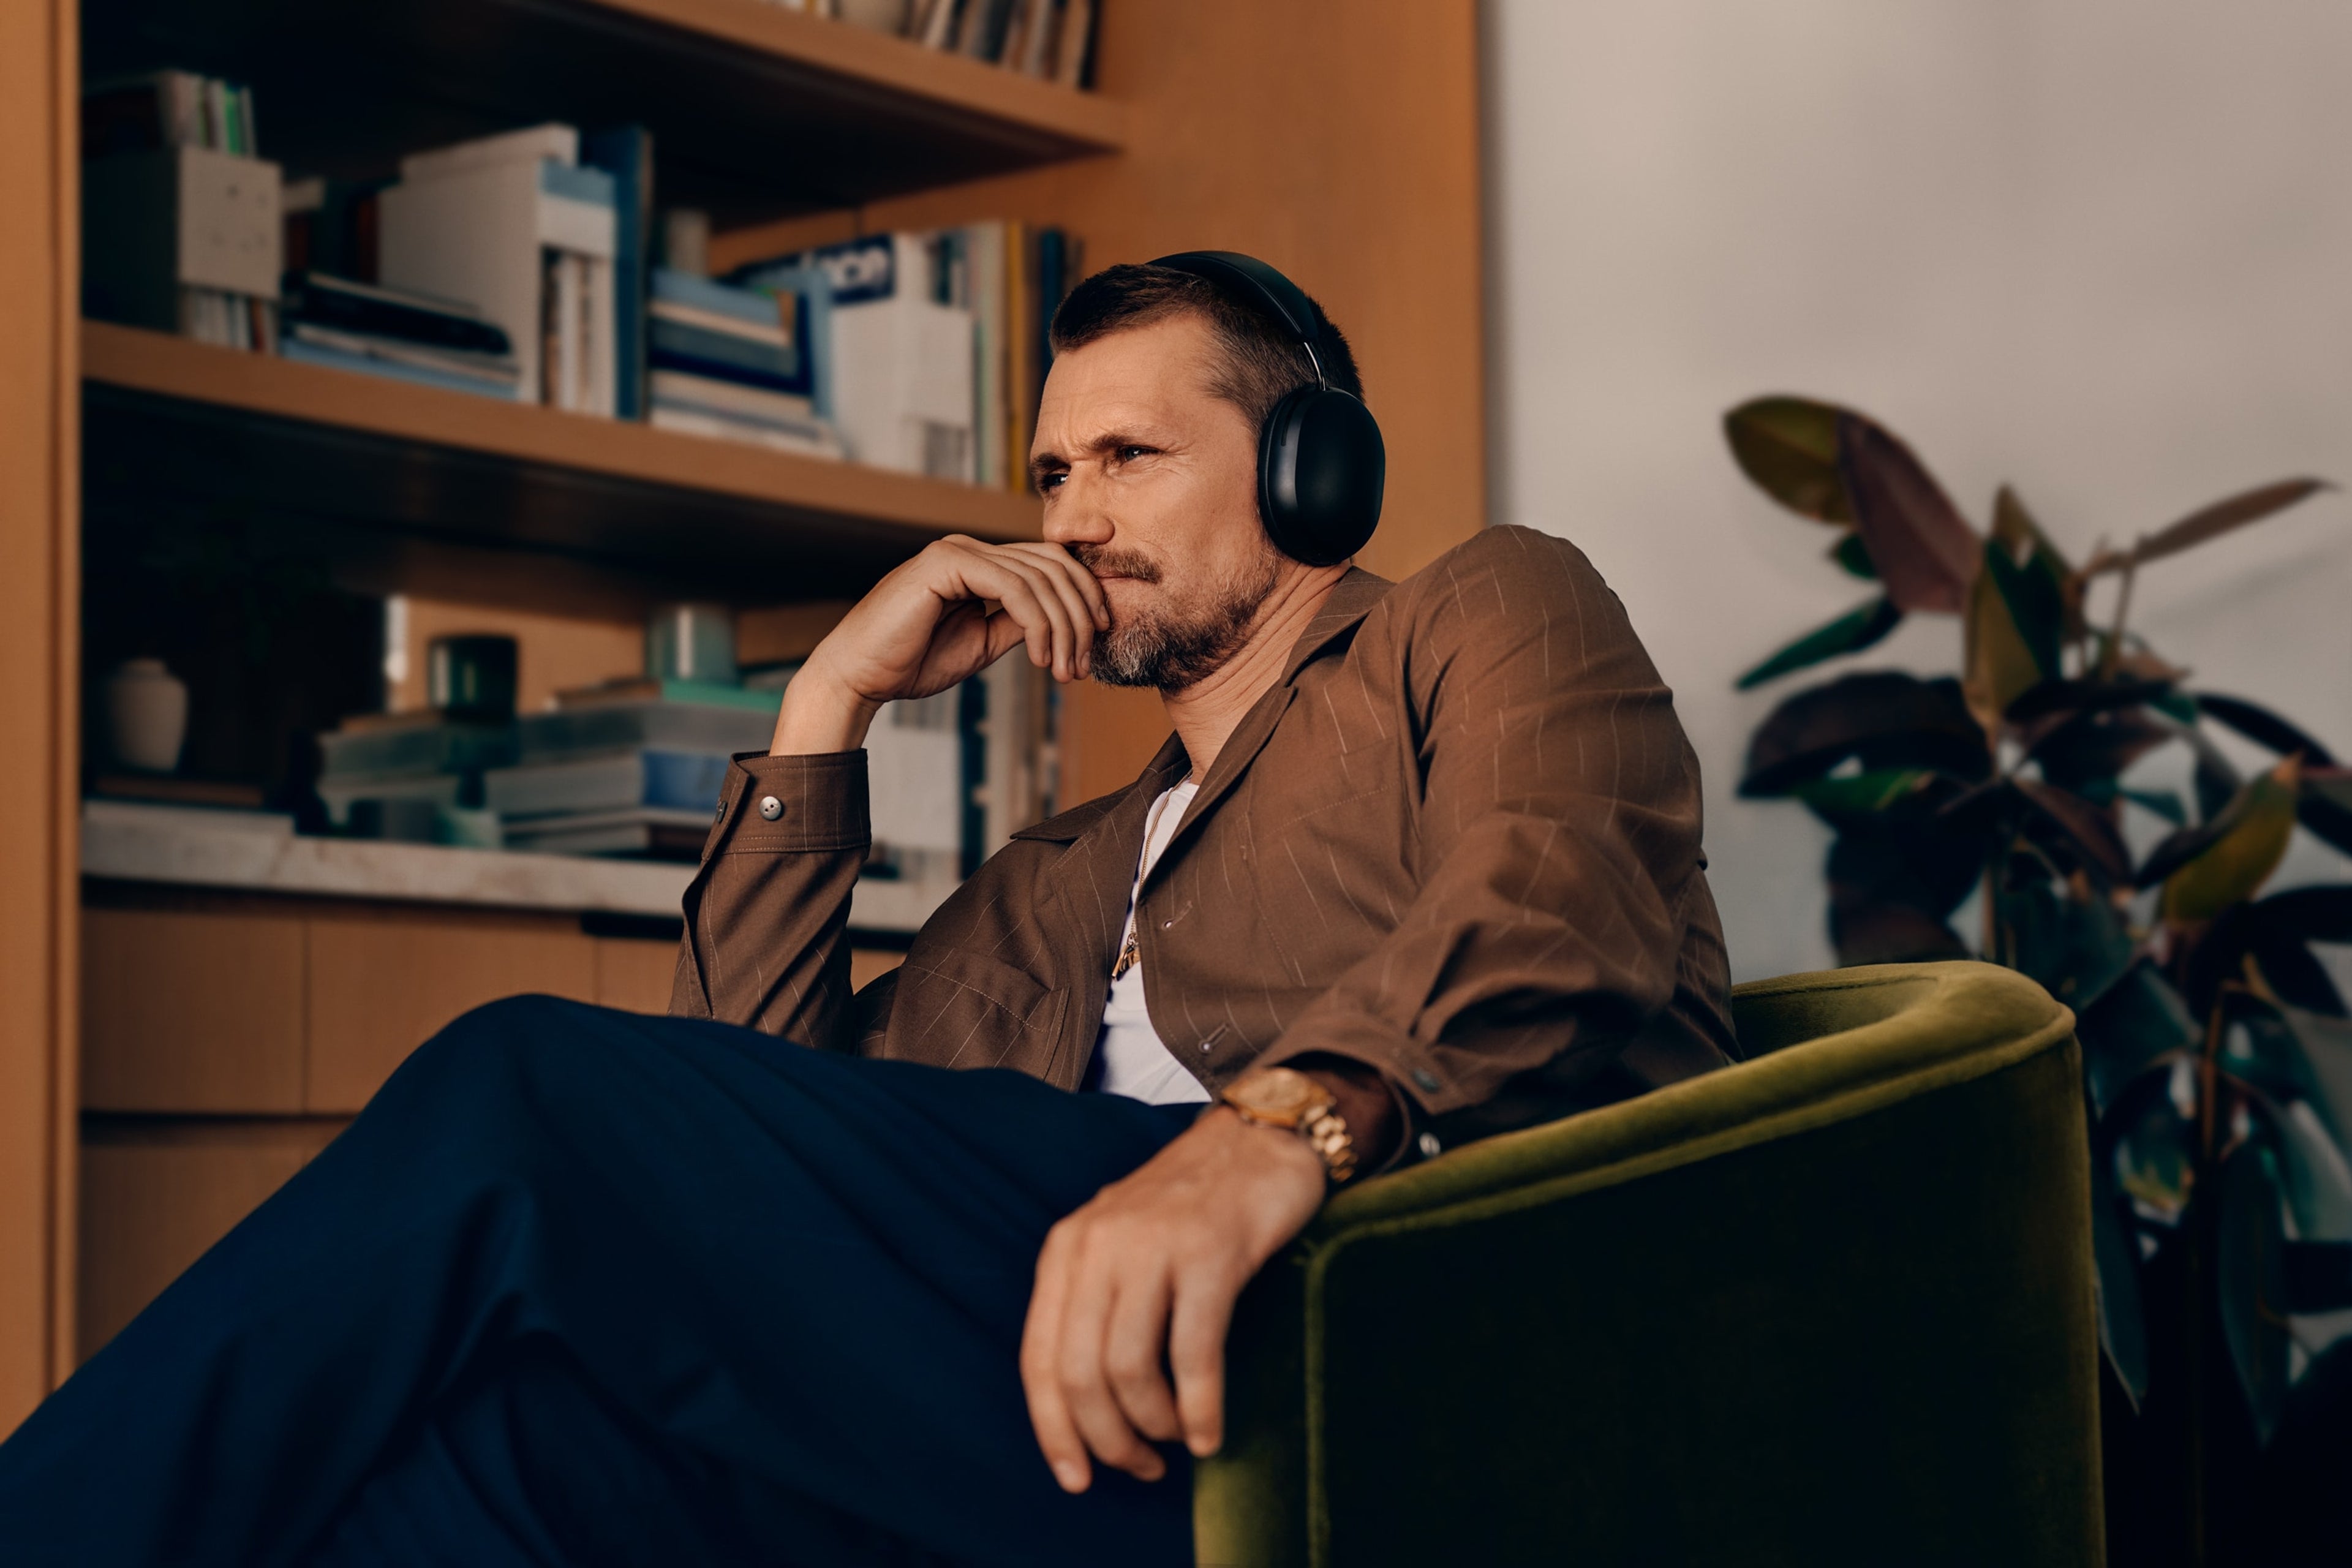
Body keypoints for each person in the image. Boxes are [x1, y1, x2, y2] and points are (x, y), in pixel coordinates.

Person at [0, 254, 1733, 1567]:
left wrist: (1267, 1132)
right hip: (1040, 1372)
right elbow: (724, 1152)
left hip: (1356, 1323)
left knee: (516, 1081)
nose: (1076, 519)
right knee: (497, 1466)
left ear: (1310, 470)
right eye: (1053, 477)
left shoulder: (1481, 612)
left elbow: (1561, 896)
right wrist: (829, 699)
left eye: (1129, 457)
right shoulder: (1063, 875)